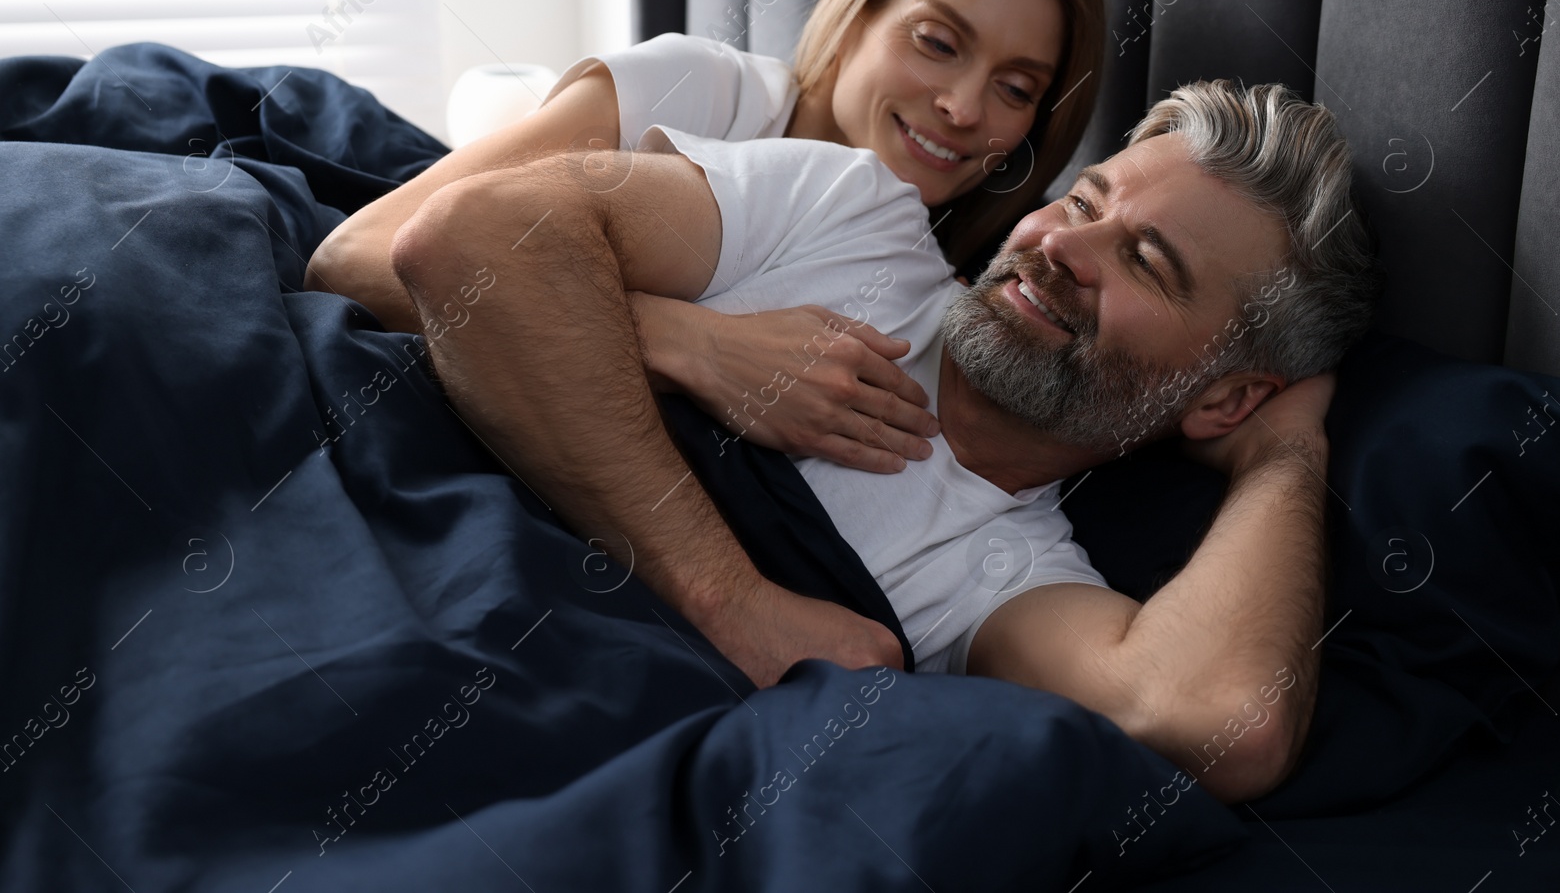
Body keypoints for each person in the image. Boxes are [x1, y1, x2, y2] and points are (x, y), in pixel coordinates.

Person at [379, 78, 1386, 804]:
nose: (1059, 246)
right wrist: (726, 585)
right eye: (1082, 201)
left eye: (1147, 260)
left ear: (1221, 399)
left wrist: (1283, 454)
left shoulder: (1006, 573)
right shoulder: (847, 216)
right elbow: (461, 237)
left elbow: (1223, 721)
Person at [305, 0, 1104, 476]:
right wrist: (689, 342)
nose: (964, 106)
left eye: (1015, 88)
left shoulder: (939, 300)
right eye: (936, 41)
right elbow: (356, 260)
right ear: (859, 12)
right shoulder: (702, 90)